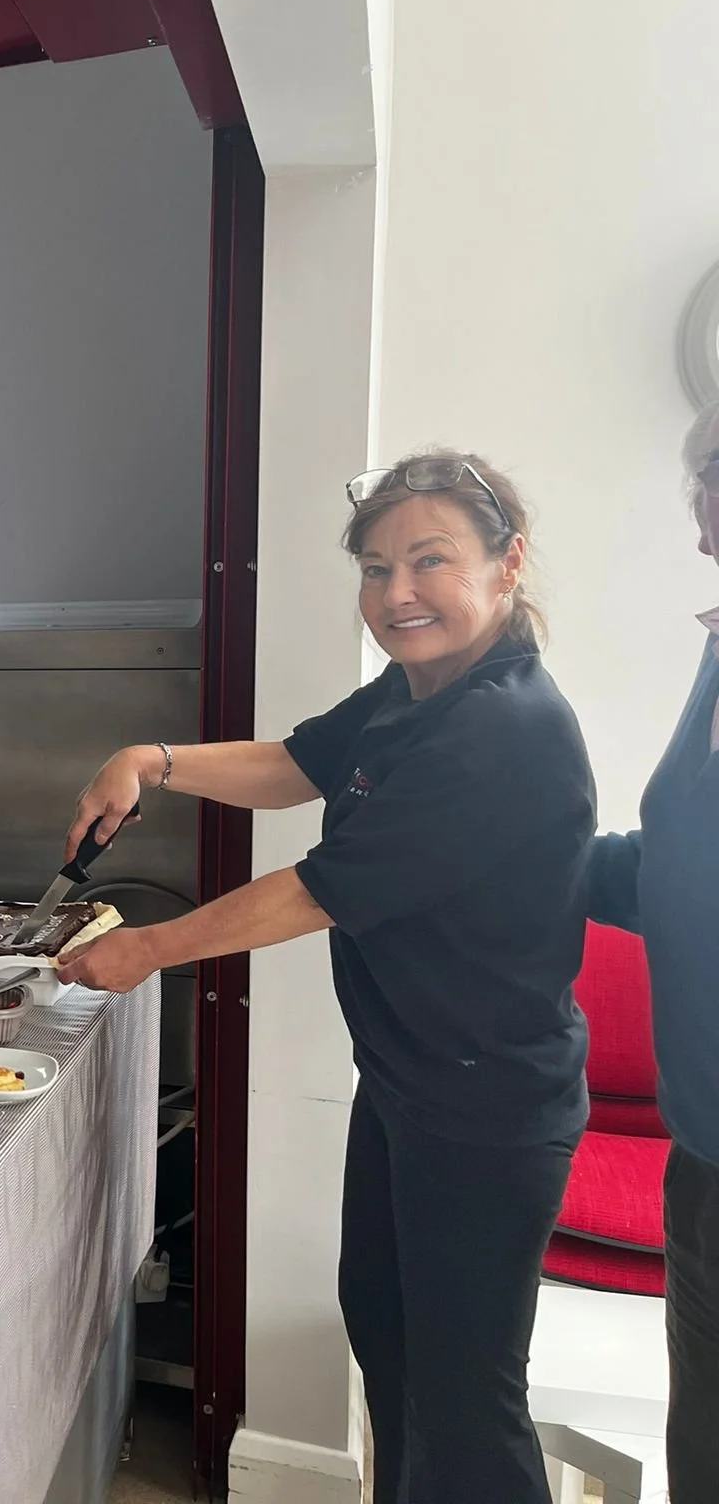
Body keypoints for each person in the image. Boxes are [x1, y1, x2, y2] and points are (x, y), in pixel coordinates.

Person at [56, 452, 594, 1504]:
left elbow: (318, 890)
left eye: (427, 561)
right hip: (405, 1081)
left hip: (485, 1103)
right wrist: (150, 759)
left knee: (464, 1396)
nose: (396, 594)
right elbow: (295, 765)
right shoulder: (412, 690)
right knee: (388, 1342)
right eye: (375, 567)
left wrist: (146, 949)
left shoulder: (501, 726)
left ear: (505, 563)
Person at [586, 398, 719, 1500]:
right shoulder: (716, 653)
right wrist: (521, 850)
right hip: (704, 1149)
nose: (698, 522)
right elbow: (673, 864)